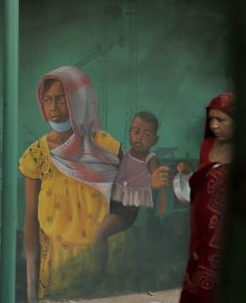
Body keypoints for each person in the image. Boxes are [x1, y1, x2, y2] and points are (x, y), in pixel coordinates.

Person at [18, 66, 121, 301]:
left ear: (79, 100)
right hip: (59, 267)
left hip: (106, 263)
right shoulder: (36, 155)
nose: (53, 107)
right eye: (47, 100)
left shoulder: (106, 147)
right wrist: (32, 287)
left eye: (61, 99)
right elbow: (31, 219)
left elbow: (126, 204)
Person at [174, 92, 234, 303]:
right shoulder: (207, 145)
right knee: (198, 276)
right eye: (212, 120)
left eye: (221, 120)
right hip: (201, 228)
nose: (215, 125)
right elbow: (202, 180)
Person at [92, 111, 170, 274]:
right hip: (111, 202)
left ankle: (99, 275)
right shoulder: (124, 155)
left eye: (147, 134)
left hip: (126, 210)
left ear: (155, 140)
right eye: (136, 131)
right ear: (129, 132)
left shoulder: (150, 159)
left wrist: (157, 178)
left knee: (99, 234)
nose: (140, 137)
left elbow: (156, 173)